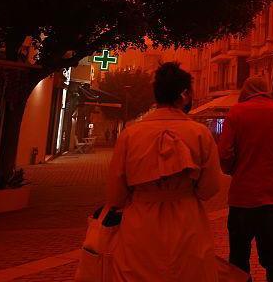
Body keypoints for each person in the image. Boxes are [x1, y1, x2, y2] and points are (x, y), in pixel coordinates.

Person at [105, 62, 245, 281]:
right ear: (185, 95)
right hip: (187, 223)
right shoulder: (199, 133)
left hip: (140, 225)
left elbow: (115, 194)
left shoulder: (130, 135)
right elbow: (210, 189)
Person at [218, 77, 273, 282]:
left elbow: (224, 153)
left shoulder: (236, 112)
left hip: (242, 200)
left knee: (238, 262)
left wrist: (233, 169)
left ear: (246, 90)